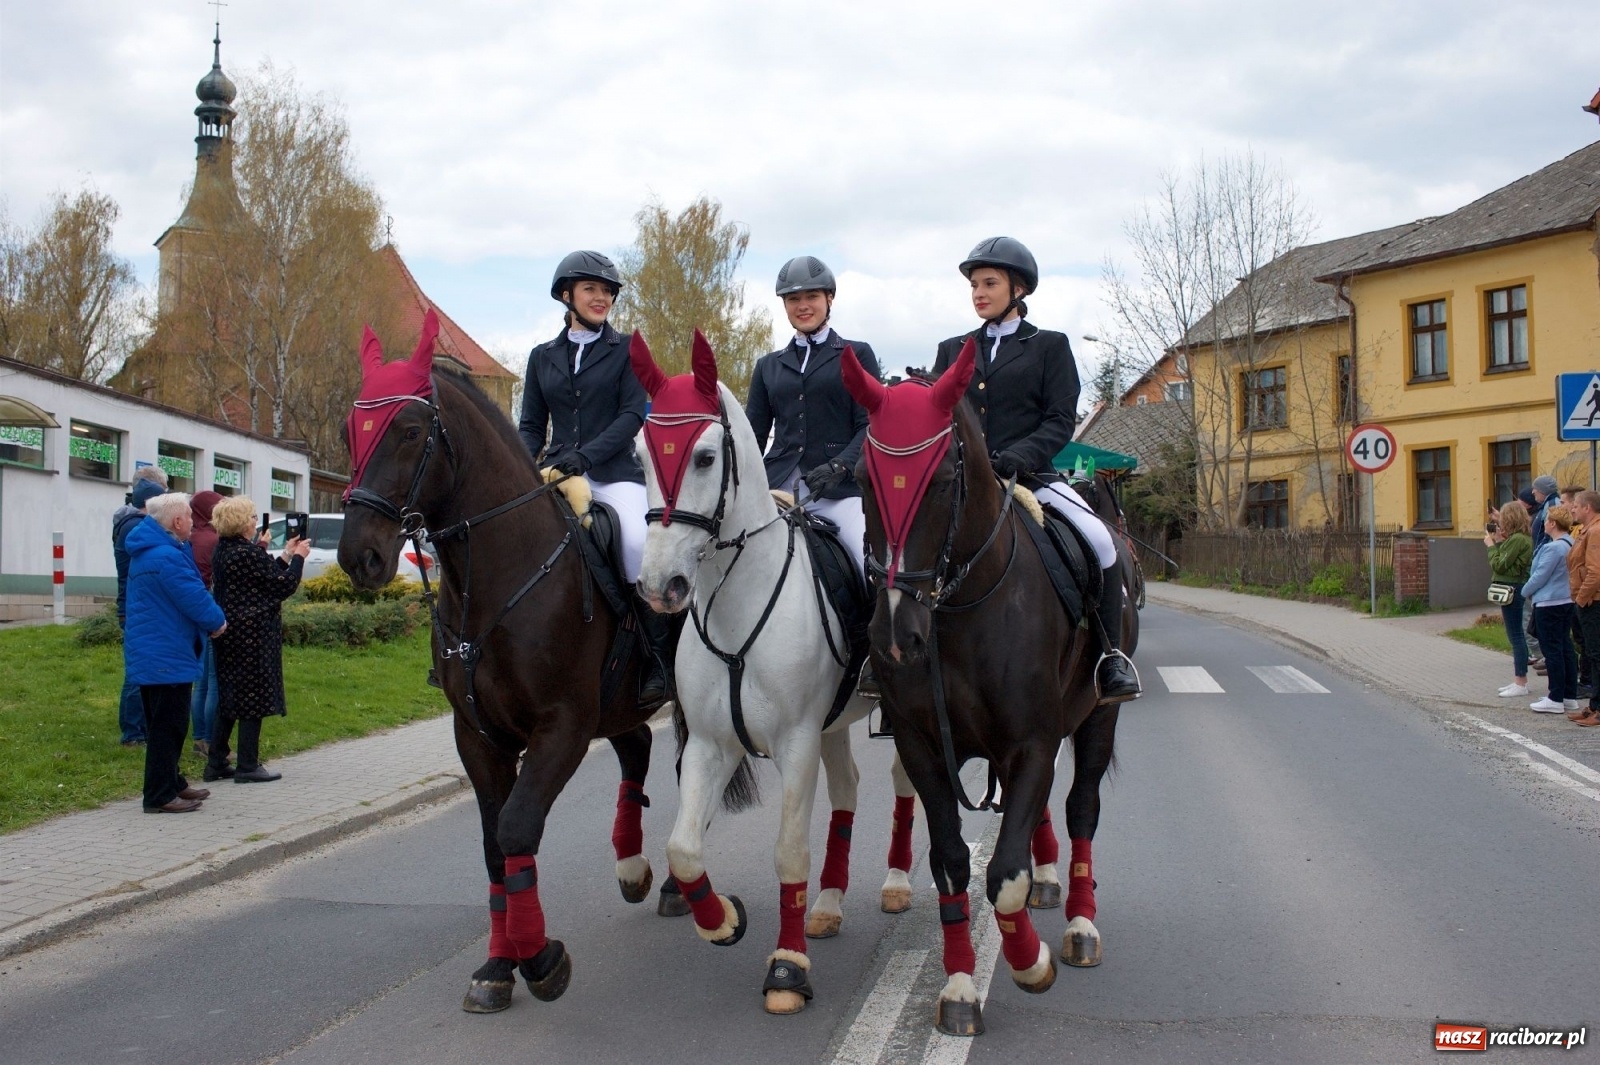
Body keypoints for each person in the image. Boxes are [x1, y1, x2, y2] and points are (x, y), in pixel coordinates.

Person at [933, 237, 1139, 703]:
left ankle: (1110, 658)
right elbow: (939, 415)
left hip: (1032, 479)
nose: (979, 292)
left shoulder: (1048, 346)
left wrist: (1020, 456)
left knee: (1101, 542)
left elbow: (1060, 419)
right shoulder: (953, 350)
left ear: (1018, 289)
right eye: (974, 285)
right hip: (966, 487)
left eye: (990, 283)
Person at [517, 250, 674, 704]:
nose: (601, 297)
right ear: (567, 295)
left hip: (612, 474)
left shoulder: (626, 351)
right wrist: (521, 467)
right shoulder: (541, 357)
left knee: (635, 546)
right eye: (591, 289)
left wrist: (584, 458)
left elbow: (630, 417)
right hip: (553, 472)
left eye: (607, 291)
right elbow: (531, 426)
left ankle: (658, 661)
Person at [746, 256, 881, 575]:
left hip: (839, 491)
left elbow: (871, 425)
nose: (802, 305)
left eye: (811, 297)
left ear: (829, 299)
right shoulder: (769, 365)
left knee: (870, 563)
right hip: (776, 487)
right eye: (794, 299)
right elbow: (753, 434)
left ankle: (870, 626)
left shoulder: (856, 354)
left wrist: (841, 465)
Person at [123, 492, 227, 813]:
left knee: (164, 724)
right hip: (165, 654)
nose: (194, 525)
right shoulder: (166, 557)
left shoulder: (152, 551)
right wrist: (217, 621)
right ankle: (159, 795)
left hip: (155, 651)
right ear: (177, 521)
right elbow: (193, 596)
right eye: (190, 519)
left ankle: (173, 782)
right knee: (168, 727)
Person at [205, 497, 309, 783]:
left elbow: (263, 574)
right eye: (251, 516)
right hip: (252, 636)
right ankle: (247, 765)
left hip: (230, 633)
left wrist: (286, 555)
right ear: (240, 522)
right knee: (253, 698)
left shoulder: (227, 551)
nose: (255, 521)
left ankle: (216, 761)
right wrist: (299, 557)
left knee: (229, 698)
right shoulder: (246, 553)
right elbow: (282, 584)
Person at [112, 467, 169, 746]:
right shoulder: (136, 527)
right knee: (137, 671)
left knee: (140, 668)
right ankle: (133, 731)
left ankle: (138, 727)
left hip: (133, 602)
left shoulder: (129, 522)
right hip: (135, 604)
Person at [1522, 505, 1576, 713]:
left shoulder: (1553, 548)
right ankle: (1568, 694)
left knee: (1552, 650)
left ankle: (1555, 697)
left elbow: (1540, 575)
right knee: (1565, 648)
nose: (1543, 523)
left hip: (1549, 602)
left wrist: (1525, 591)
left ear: (1553, 523)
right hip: (1565, 600)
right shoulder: (1570, 543)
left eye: (1546, 520)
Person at [188, 490, 224, 756]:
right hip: (211, 605)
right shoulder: (213, 540)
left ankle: (199, 736)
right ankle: (212, 740)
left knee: (200, 680)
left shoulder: (190, 537)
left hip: (192, 610)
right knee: (214, 679)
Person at [1487, 500, 1533, 697]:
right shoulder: (1518, 539)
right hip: (1512, 586)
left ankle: (1520, 681)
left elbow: (1500, 564)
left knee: (1516, 636)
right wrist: (1499, 542)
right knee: (1515, 634)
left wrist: (1491, 546)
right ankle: (1519, 680)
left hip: (1512, 587)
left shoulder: (1518, 540)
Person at [1565, 490, 1600, 727]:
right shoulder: (1585, 531)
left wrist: (1581, 598)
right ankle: (1594, 706)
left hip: (1593, 601)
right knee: (1590, 652)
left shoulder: (1595, 531)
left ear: (1588, 508)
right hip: (1587, 600)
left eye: (1576, 506)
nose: (1572, 509)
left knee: (1597, 655)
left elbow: (1596, 571)